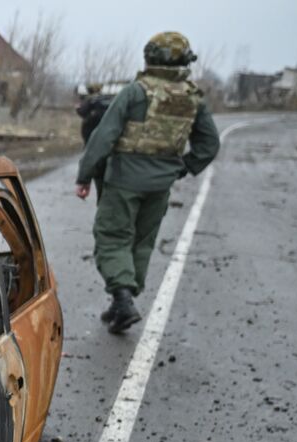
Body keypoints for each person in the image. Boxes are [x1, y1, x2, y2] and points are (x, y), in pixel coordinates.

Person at [75, 32, 220, 334]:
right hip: (159, 186)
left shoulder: (135, 92)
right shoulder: (193, 98)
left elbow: (104, 136)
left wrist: (85, 175)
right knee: (141, 242)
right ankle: (121, 302)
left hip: (123, 181)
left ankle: (122, 296)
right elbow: (209, 145)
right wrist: (180, 169)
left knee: (113, 237)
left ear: (150, 58)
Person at [75, 83, 112, 197]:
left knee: (95, 163)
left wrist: (83, 179)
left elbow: (82, 111)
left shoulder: (91, 100)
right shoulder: (107, 100)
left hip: (91, 137)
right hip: (106, 140)